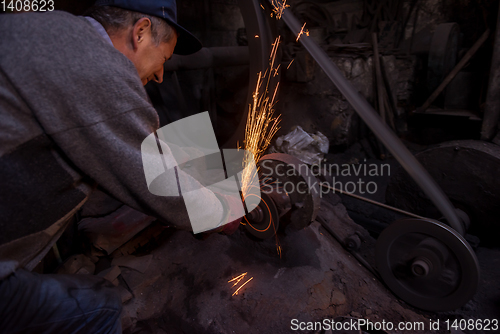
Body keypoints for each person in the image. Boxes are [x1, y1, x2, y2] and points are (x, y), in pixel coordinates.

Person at [0, 0, 238, 332]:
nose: (160, 74)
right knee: (100, 305)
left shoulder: (46, 30)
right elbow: (162, 188)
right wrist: (223, 209)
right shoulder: (98, 67)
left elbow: (113, 142)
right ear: (140, 32)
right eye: (163, 59)